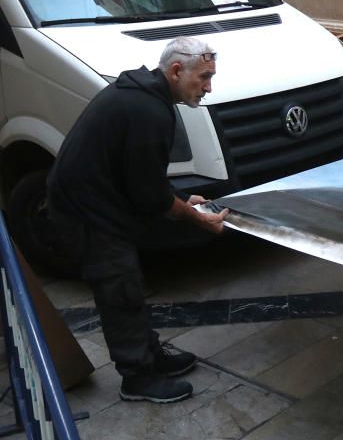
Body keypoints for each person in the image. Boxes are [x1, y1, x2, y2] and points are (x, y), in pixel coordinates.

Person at [47, 37, 229, 404]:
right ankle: (138, 378)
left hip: (99, 201)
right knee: (119, 287)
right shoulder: (149, 109)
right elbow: (149, 197)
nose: (209, 87)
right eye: (204, 77)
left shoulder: (144, 95)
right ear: (177, 71)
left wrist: (179, 197)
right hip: (84, 212)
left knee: (128, 281)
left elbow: (140, 171)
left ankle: (150, 356)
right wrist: (193, 216)